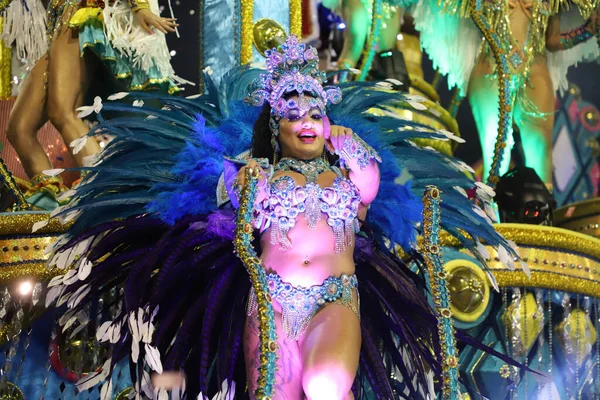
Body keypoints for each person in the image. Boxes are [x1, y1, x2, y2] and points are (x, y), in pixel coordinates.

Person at [45, 36, 517, 399]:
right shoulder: (258, 173)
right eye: (294, 114)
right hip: (270, 303)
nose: (308, 120)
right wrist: (241, 181)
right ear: (276, 125)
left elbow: (371, 179)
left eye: (316, 112)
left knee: (328, 382)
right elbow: (232, 205)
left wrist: (344, 137)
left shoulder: (348, 176)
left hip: (333, 299)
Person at [3, 0, 184, 209]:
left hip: (79, 16)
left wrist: (139, 6)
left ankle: (105, 191)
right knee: (19, 129)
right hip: (59, 25)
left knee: (62, 112)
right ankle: (48, 202)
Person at [413, 0, 600, 185]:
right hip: (491, 68)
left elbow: (551, 40)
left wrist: (586, 31)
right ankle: (495, 213)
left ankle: (542, 212)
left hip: (535, 71)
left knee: (541, 149)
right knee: (496, 153)